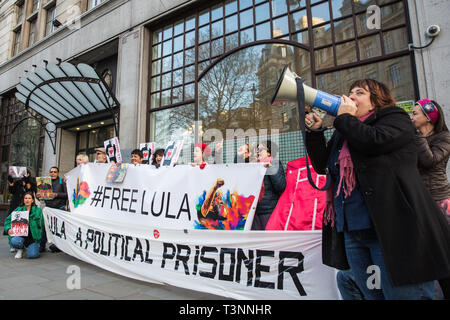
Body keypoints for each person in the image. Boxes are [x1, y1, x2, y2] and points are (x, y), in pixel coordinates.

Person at [305, 78, 450, 299]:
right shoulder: (345, 130)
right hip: (354, 232)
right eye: (350, 92)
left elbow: (373, 141)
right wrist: (315, 133)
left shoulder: (395, 118)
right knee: (373, 295)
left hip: (394, 230)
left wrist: (344, 118)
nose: (351, 97)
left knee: (404, 294)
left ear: (377, 100)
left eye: (359, 93)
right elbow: (323, 164)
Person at [410, 98, 450, 299]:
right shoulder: (413, 138)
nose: (411, 117)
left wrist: (417, 136)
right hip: (419, 202)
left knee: (444, 254)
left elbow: (429, 160)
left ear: (428, 118)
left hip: (439, 200)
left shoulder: (444, 138)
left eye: (415, 113)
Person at [251, 140, 286, 230]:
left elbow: (280, 186)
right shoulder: (255, 166)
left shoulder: (275, 164)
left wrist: (269, 168)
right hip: (254, 212)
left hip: (269, 211)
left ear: (269, 152)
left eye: (261, 149)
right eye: (257, 149)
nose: (258, 151)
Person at [4, 192, 44, 259]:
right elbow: (8, 220)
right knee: (14, 241)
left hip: (32, 237)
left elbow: (41, 225)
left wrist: (31, 222)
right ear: (23, 200)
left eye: (29, 198)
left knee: (33, 255)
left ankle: (30, 247)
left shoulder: (38, 211)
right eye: (25, 198)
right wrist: (8, 229)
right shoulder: (18, 209)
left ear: (32, 200)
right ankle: (20, 249)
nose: (27, 200)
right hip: (20, 236)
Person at [37, 166, 67, 253]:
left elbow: (67, 194)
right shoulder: (44, 182)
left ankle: (59, 246)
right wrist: (38, 196)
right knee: (44, 227)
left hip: (59, 208)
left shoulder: (61, 181)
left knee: (59, 228)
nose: (53, 173)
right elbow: (41, 197)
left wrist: (56, 194)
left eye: (55, 172)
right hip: (48, 208)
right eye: (51, 172)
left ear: (58, 173)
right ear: (49, 173)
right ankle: (42, 245)